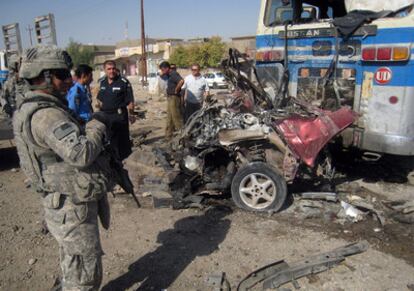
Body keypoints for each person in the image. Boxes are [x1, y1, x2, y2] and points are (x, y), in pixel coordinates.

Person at [13, 45, 114, 291]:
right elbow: (81, 154)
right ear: (43, 76)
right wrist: (97, 125)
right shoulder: (47, 115)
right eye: (61, 75)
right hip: (72, 205)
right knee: (84, 273)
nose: (69, 80)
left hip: (65, 201)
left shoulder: (38, 107)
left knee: (74, 261)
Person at [97, 60, 136, 160]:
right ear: (104, 70)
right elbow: (99, 99)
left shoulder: (123, 82)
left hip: (119, 117)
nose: (111, 71)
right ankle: (113, 162)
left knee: (122, 142)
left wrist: (131, 115)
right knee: (109, 141)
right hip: (106, 117)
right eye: (109, 69)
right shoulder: (102, 82)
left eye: (113, 68)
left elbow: (130, 101)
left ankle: (125, 164)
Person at [159, 61, 184, 140]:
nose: (162, 71)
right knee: (169, 118)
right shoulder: (168, 74)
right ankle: (168, 137)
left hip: (174, 98)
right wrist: (163, 73)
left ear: (167, 68)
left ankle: (183, 136)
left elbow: (181, 81)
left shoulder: (173, 74)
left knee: (176, 117)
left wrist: (177, 89)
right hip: (170, 97)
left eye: (163, 69)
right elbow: (161, 76)